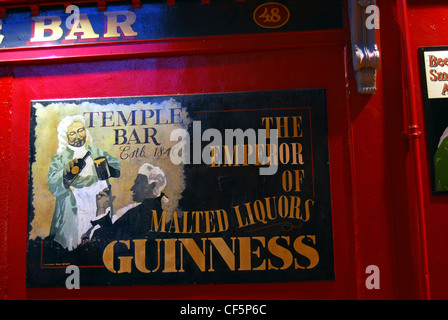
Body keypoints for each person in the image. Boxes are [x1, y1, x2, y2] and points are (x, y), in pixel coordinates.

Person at [47, 115, 121, 250]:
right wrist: (65, 175)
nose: (77, 136)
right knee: (76, 246)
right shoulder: (60, 159)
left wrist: (106, 169)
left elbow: (117, 168)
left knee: (99, 241)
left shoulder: (96, 152)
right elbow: (52, 184)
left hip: (99, 203)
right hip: (75, 207)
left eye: (80, 130)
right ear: (66, 137)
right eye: (72, 133)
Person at [90, 163, 169, 245]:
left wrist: (101, 209)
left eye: (137, 183)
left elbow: (103, 239)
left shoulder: (137, 215)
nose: (132, 188)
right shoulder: (151, 212)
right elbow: (113, 232)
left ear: (151, 186)